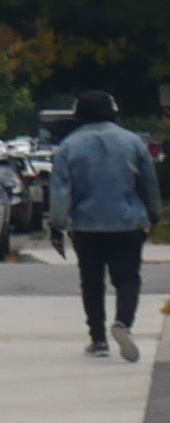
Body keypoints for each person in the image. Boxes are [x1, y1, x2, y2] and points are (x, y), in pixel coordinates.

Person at [53, 91, 158, 361]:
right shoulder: (133, 142)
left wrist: (57, 225)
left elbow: (61, 191)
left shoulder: (68, 146)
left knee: (91, 281)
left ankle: (98, 339)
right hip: (127, 222)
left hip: (86, 225)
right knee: (127, 279)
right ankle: (123, 323)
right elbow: (147, 183)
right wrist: (153, 215)